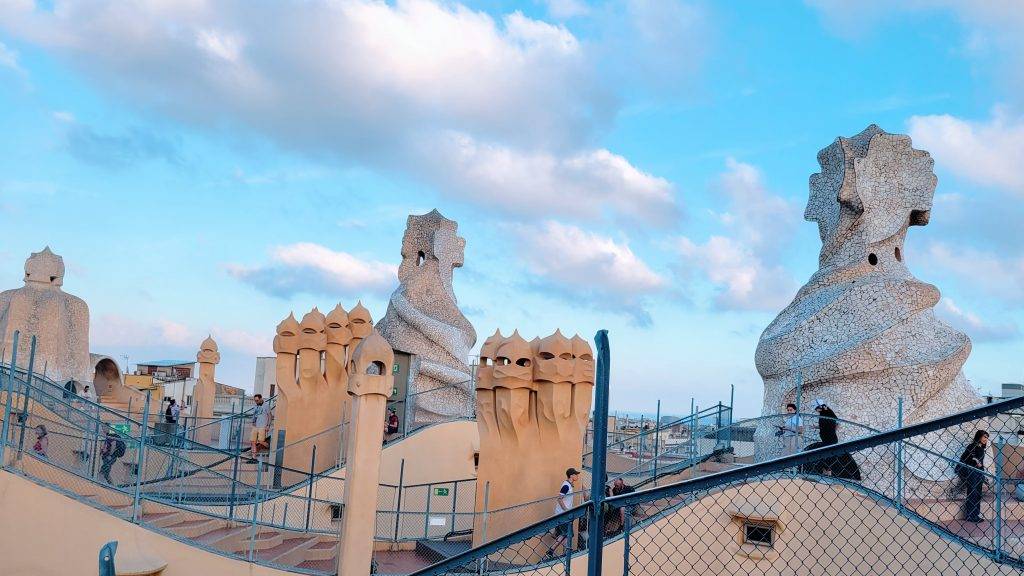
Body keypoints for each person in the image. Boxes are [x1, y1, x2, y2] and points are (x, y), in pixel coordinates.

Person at [546, 467, 581, 558]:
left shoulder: (569, 485)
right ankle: (553, 550)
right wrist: (566, 510)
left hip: (562, 514)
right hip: (562, 514)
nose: (577, 476)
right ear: (571, 475)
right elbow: (559, 499)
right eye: (576, 474)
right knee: (567, 533)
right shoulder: (566, 486)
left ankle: (564, 551)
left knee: (564, 534)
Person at [956, 430, 988, 522]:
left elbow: (980, 463)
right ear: (979, 436)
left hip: (979, 473)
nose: (986, 439)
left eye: (987, 438)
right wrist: (975, 460)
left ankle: (975, 515)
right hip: (972, 473)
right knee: (972, 494)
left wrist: (982, 473)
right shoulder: (972, 446)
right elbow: (964, 458)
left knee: (978, 494)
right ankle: (970, 515)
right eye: (984, 437)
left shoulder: (981, 448)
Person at [249, 394, 271, 462]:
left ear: (261, 399)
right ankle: (254, 457)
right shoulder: (255, 406)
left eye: (257, 400)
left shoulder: (266, 405)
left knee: (260, 441)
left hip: (262, 426)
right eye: (255, 400)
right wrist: (253, 422)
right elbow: (255, 415)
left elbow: (270, 416)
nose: (256, 402)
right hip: (255, 426)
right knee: (253, 441)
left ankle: (268, 446)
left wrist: (268, 426)